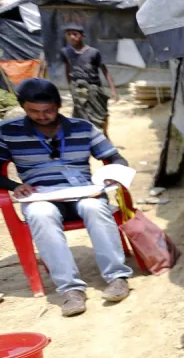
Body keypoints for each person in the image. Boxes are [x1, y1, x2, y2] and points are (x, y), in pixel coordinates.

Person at [0, 78, 132, 315]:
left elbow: (115, 158)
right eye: (34, 111)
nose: (42, 116)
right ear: (23, 107)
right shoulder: (8, 132)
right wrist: (13, 185)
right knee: (41, 215)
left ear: (59, 105)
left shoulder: (83, 127)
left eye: (48, 110)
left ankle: (117, 277)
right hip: (40, 196)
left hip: (82, 192)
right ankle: (70, 290)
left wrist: (111, 174)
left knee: (94, 207)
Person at [59, 23, 118, 138]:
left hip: (94, 88)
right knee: (81, 112)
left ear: (82, 36)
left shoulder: (93, 52)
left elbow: (105, 71)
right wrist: (71, 87)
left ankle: (105, 134)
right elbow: (67, 70)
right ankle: (84, 137)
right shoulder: (66, 52)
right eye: (68, 34)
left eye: (75, 34)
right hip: (79, 88)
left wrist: (113, 90)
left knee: (102, 112)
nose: (71, 37)